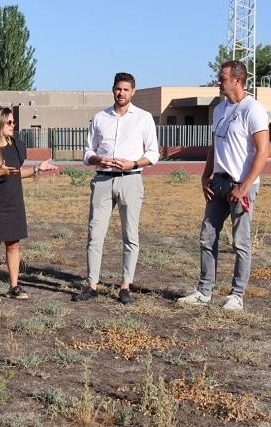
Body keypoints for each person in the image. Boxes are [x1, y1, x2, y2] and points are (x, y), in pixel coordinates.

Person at [178, 60, 269, 311]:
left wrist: (244, 186)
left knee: (241, 242)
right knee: (207, 236)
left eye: (222, 78)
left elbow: (262, 153)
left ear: (237, 80)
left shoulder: (253, 109)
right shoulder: (220, 108)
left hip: (242, 186)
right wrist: (204, 176)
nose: (218, 81)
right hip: (217, 183)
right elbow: (214, 147)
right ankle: (204, 291)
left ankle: (237, 295)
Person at [72, 72, 160, 305]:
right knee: (95, 233)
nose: (121, 93)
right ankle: (92, 284)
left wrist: (133, 163)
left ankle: (125, 285)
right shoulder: (100, 117)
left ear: (133, 91)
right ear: (113, 89)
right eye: (117, 89)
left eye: (125, 89)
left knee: (130, 234)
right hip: (102, 180)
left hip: (130, 179)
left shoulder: (143, 118)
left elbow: (153, 153)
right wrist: (98, 160)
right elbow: (87, 152)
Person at [0, 107, 57, 301]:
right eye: (9, 123)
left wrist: (37, 169)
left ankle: (14, 286)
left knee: (14, 244)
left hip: (13, 201)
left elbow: (15, 173)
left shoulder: (17, 145)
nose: (13, 125)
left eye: (13, 122)